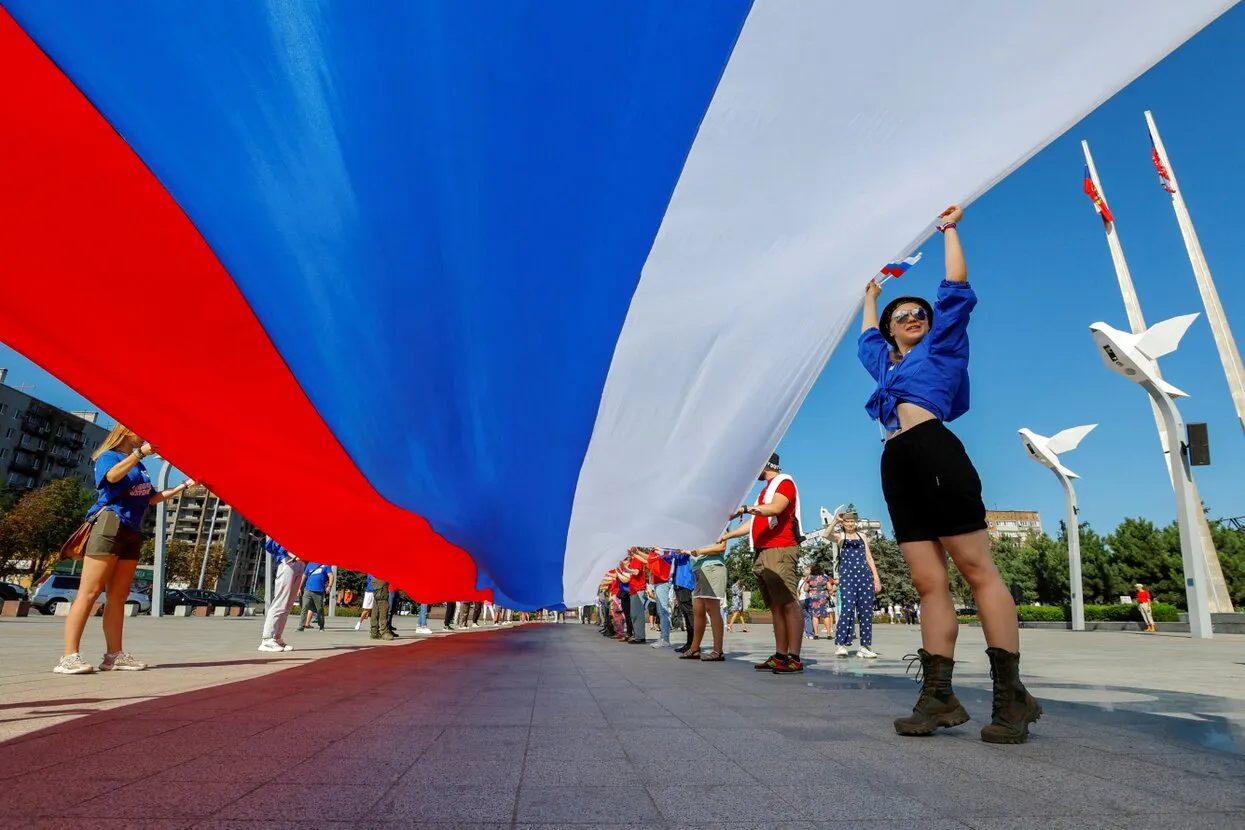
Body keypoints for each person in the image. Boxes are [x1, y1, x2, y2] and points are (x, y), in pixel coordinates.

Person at [860, 205, 1040, 743]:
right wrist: (870, 295)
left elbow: (955, 289)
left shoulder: (944, 345)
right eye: (902, 314)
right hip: (896, 463)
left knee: (975, 568)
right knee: (925, 581)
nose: (913, 315)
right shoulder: (885, 364)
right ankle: (938, 697)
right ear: (892, 330)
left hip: (935, 451)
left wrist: (949, 230)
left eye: (920, 312)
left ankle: (1012, 698)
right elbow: (867, 339)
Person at [55, 426, 198, 674]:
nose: (145, 436)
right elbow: (111, 478)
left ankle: (114, 655)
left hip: (132, 529)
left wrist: (185, 485)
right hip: (109, 523)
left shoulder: (140, 465)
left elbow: (151, 497)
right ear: (126, 431)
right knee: (89, 593)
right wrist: (139, 454)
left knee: (119, 597)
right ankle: (69, 656)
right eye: (140, 431)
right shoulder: (110, 456)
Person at [720, 452, 805, 675]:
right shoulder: (764, 491)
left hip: (780, 549)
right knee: (776, 605)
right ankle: (780, 655)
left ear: (766, 464)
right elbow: (753, 523)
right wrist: (725, 536)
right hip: (763, 551)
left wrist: (746, 508)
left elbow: (776, 508)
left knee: (788, 602)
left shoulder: (783, 482)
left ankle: (794, 658)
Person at [831, 511, 881, 659]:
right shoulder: (841, 537)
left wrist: (875, 578)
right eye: (847, 521)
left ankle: (865, 646)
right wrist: (835, 521)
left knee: (866, 610)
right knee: (847, 607)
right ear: (843, 523)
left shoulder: (862, 536)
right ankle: (841, 644)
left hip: (864, 576)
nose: (850, 524)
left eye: (852, 521)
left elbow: (869, 557)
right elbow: (826, 535)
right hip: (847, 576)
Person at [678, 542, 727, 661]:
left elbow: (721, 547)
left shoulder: (718, 527)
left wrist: (699, 551)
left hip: (712, 568)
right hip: (699, 570)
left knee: (712, 609)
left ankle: (718, 651)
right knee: (697, 610)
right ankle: (694, 649)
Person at [258, 536, 302, 652]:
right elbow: (275, 540)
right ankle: (267, 639)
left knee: (288, 604)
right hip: (288, 561)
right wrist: (288, 552)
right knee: (280, 601)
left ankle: (277, 638)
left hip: (301, 563)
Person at [665, 549, 696, 652]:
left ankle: (694, 644)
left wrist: (671, 552)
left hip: (685, 581)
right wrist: (662, 553)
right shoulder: (675, 549)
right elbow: (668, 559)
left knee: (689, 613)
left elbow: (680, 555)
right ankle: (689, 643)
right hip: (677, 581)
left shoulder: (684, 546)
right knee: (685, 614)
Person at [647, 549, 674, 648]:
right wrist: (636, 552)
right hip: (658, 582)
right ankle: (663, 637)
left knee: (663, 610)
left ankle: (665, 639)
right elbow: (648, 559)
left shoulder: (664, 550)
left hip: (663, 581)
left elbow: (666, 555)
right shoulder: (657, 551)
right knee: (660, 611)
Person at [297, 562, 333, 632]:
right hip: (308, 590)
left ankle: (321, 626)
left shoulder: (326, 565)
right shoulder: (310, 564)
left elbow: (331, 576)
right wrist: (299, 588)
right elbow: (304, 576)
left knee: (319, 609)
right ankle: (301, 626)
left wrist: (329, 586)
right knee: (304, 608)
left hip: (319, 591)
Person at [808, 565, 833, 640]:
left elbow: (805, 588)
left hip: (814, 597)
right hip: (823, 597)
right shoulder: (825, 577)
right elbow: (830, 587)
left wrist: (812, 588)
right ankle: (829, 634)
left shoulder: (810, 578)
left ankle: (816, 634)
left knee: (815, 616)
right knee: (826, 615)